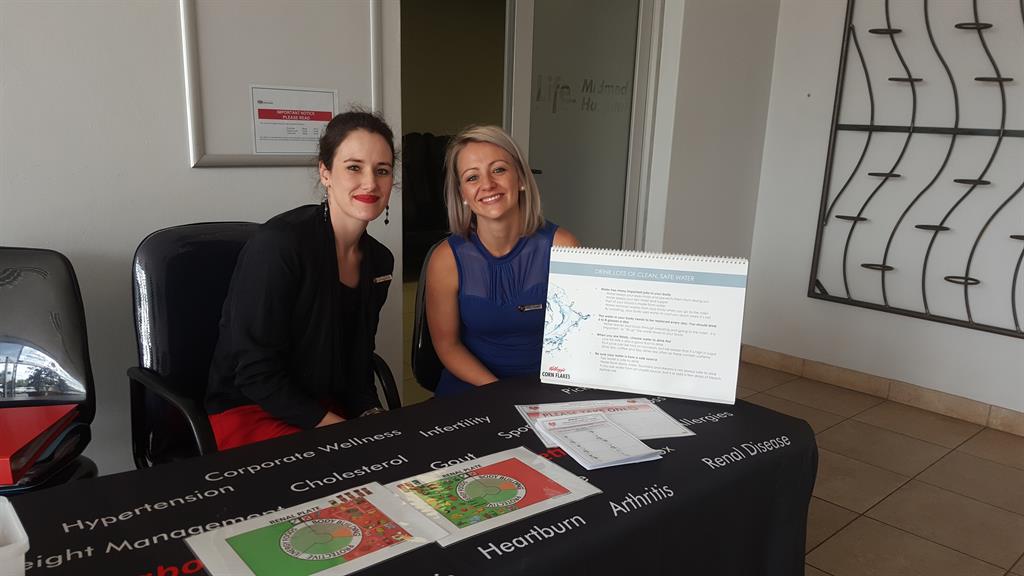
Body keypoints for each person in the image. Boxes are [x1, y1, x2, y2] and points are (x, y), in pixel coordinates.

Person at [206, 110, 395, 450]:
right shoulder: (280, 245)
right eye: (354, 167)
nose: (370, 183)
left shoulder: (380, 261)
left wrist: (370, 413)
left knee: (396, 452)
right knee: (354, 463)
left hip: (322, 405)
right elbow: (254, 373)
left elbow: (358, 359)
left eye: (382, 170)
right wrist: (341, 431)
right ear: (325, 172)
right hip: (251, 408)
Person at [425, 125, 578, 397]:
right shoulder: (445, 259)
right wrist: (499, 393)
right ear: (462, 193)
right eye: (472, 177)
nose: (487, 185)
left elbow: (579, 337)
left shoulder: (563, 246)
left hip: (545, 388)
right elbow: (448, 346)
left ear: (520, 179)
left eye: (498, 170)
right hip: (473, 387)